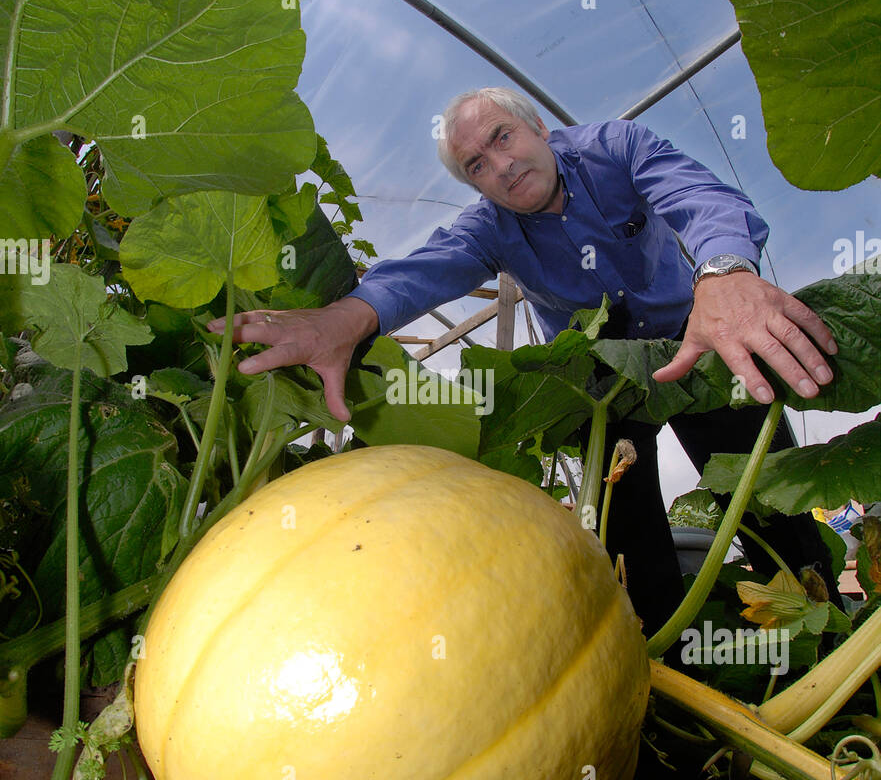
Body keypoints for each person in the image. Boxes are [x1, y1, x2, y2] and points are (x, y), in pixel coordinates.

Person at [209, 87, 840, 641]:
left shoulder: (614, 147)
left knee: (767, 500)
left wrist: (724, 271)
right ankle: (671, 674)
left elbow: (697, 195)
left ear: (537, 127)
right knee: (626, 533)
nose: (502, 166)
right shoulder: (488, 230)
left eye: (502, 137)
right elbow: (419, 275)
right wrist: (339, 320)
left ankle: (826, 624)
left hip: (696, 340)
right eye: (477, 165)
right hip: (605, 380)